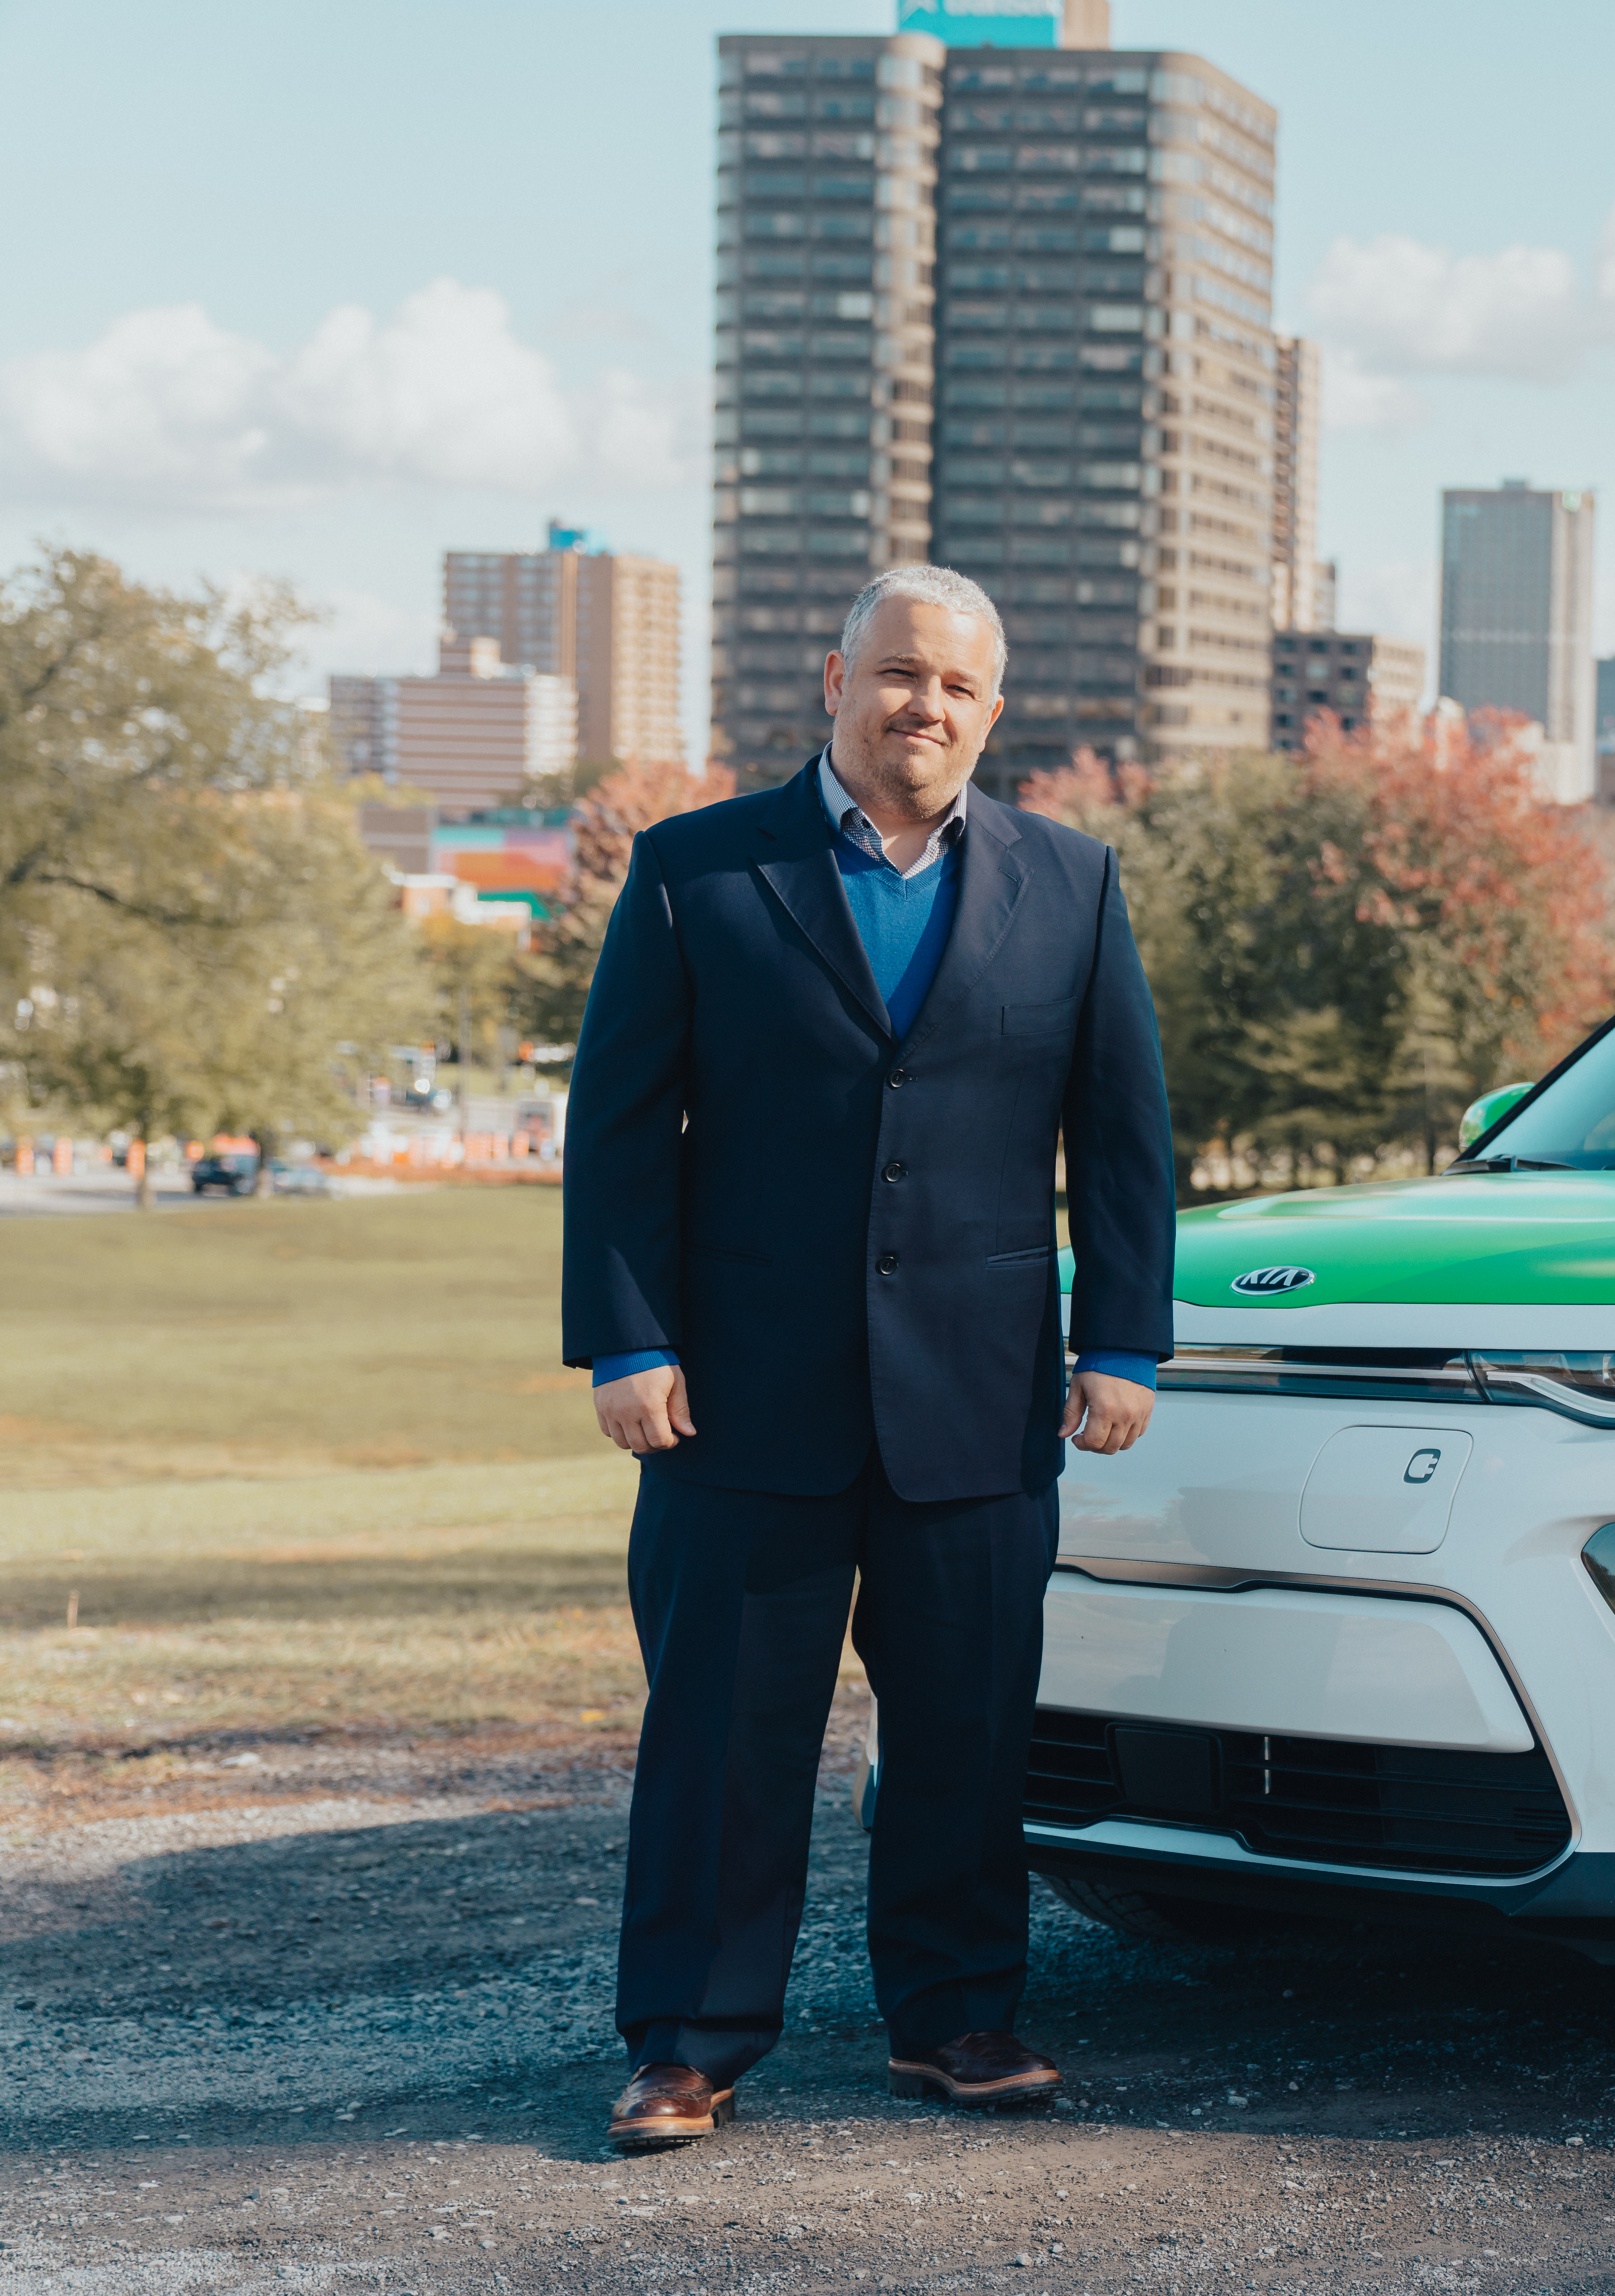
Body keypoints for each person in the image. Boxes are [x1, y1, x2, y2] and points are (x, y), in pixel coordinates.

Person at [561, 565, 1173, 2152]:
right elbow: (621, 1130)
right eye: (900, 674)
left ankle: (960, 2022)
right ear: (836, 681)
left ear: (993, 706)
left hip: (980, 1396)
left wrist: (1121, 1338)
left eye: (960, 687)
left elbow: (1120, 1143)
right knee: (723, 1738)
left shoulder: (1074, 882)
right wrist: (627, 1337)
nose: (928, 708)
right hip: (738, 1399)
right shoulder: (700, 871)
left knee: (969, 1731)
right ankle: (690, 2043)